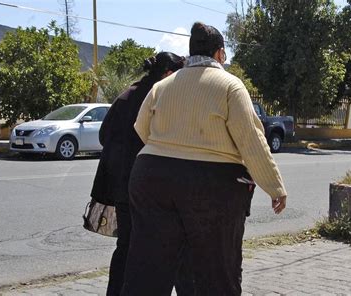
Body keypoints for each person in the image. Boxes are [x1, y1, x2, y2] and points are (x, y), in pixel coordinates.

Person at [122, 22, 287, 295]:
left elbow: (141, 129)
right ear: (220, 54)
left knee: (148, 268)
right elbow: (251, 140)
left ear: (188, 55)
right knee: (218, 271)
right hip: (211, 185)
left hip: (151, 178)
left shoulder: (162, 86)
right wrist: (275, 186)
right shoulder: (230, 86)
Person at [89, 52, 186, 296]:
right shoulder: (157, 97)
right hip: (144, 186)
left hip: (120, 186)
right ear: (168, 74)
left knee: (126, 246)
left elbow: (104, 136)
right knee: (149, 248)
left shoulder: (127, 94)